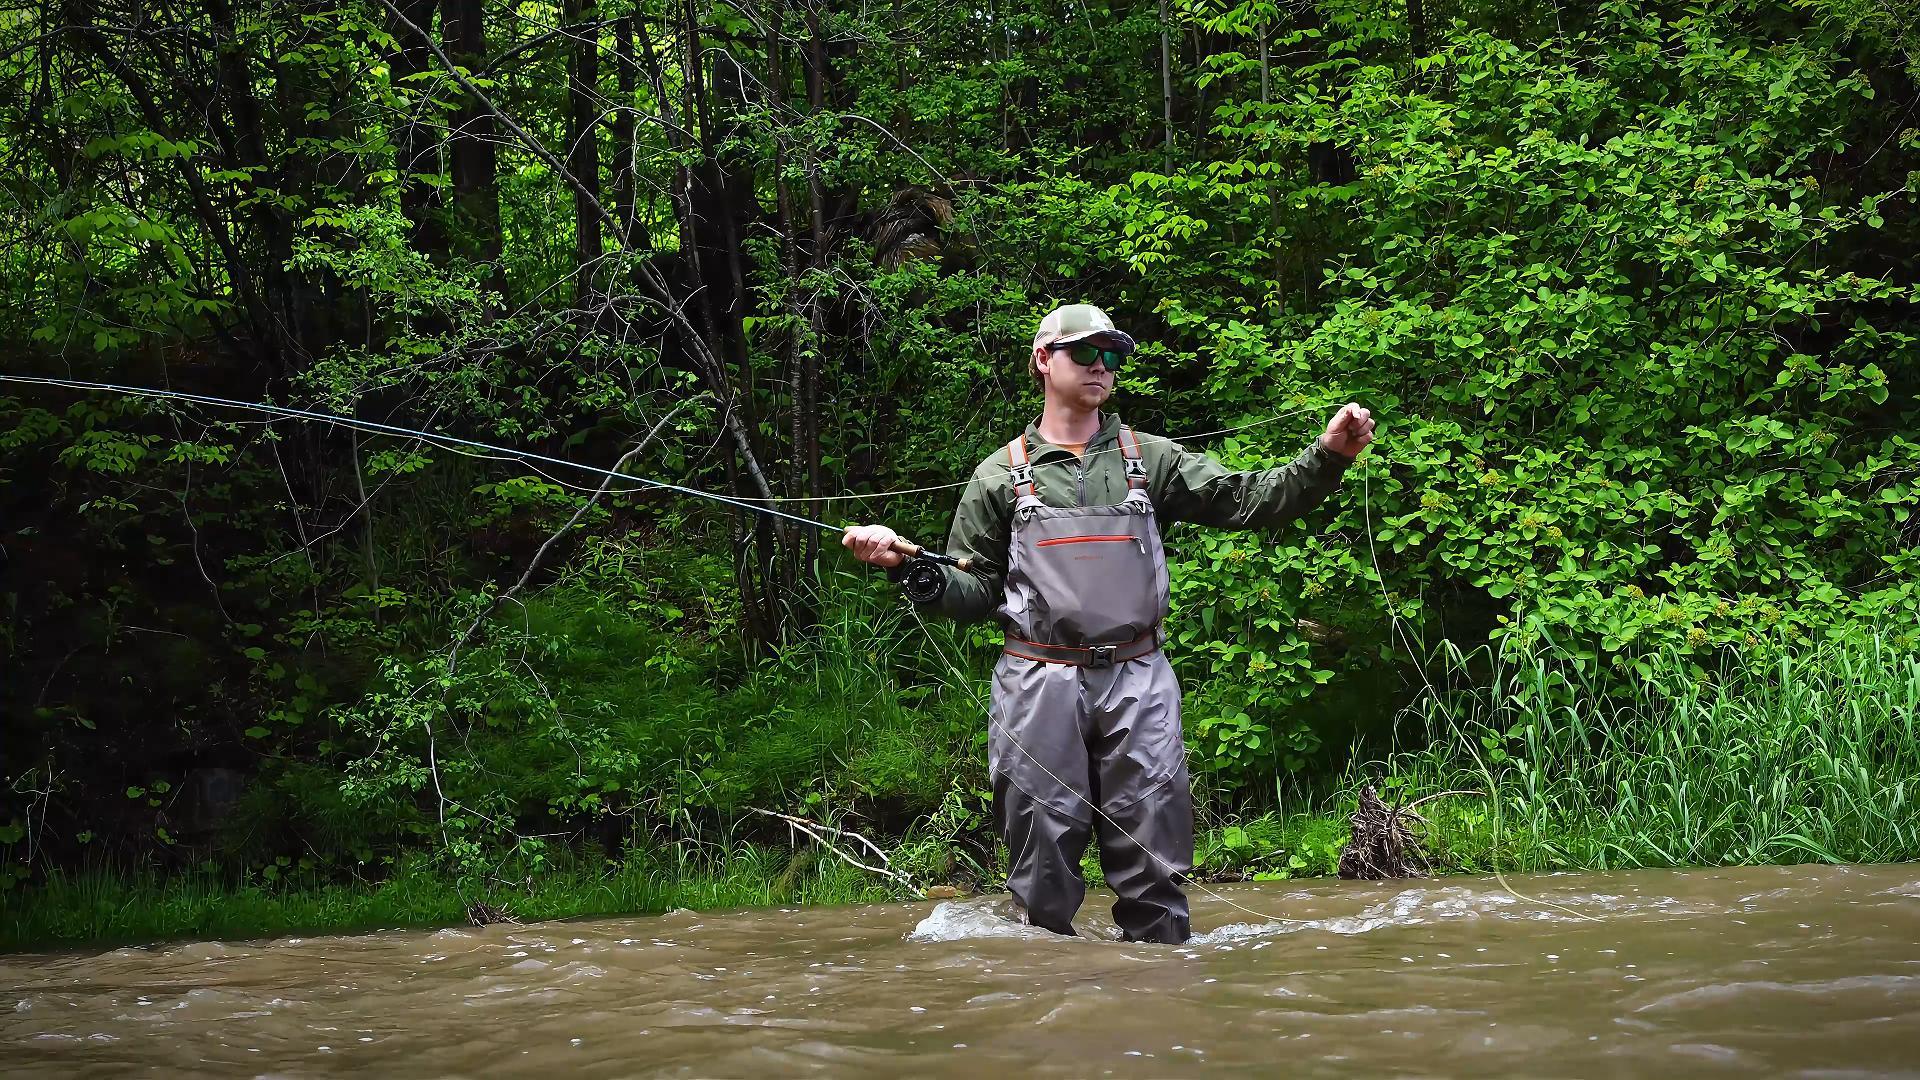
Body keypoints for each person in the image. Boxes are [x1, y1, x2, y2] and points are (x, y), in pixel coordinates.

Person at [843, 303, 1375, 944]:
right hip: (1036, 679)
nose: (1102, 366)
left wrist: (1328, 456)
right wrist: (906, 568)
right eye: (1086, 353)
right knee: (1041, 858)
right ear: (1044, 360)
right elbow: (977, 591)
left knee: (1155, 848)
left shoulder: (1150, 458)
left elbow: (1250, 501)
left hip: (1139, 678)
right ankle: (1049, 985)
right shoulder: (999, 473)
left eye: (1113, 355)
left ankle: (1159, 983)